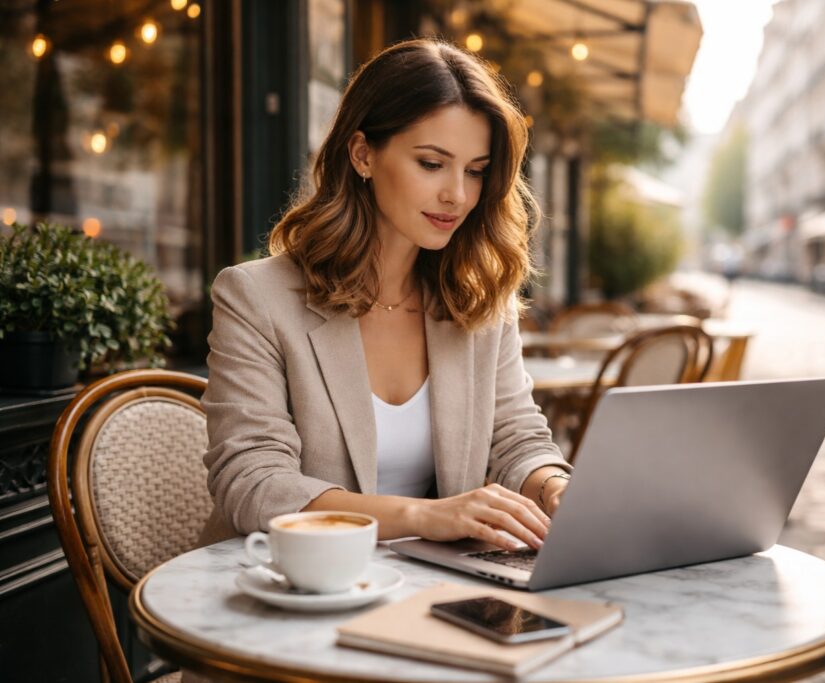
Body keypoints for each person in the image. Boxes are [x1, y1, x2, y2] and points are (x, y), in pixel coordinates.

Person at [197, 39, 572, 553]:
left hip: (428, 589)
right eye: (431, 163)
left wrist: (555, 487)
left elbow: (515, 439)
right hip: (285, 589)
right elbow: (255, 483)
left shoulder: (478, 300)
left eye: (476, 171)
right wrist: (426, 515)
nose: (457, 195)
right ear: (362, 154)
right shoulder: (255, 297)